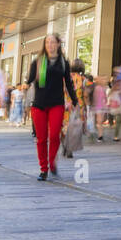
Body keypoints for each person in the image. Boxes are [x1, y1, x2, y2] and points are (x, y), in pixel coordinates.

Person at [24, 34, 78, 181]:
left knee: (54, 135)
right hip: (39, 104)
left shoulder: (64, 63)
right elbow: (29, 80)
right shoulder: (38, 61)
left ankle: (52, 162)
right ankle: (44, 169)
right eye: (47, 42)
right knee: (41, 139)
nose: (50, 45)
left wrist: (74, 100)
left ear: (58, 45)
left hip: (56, 103)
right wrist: (26, 84)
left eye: (53, 42)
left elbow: (68, 83)